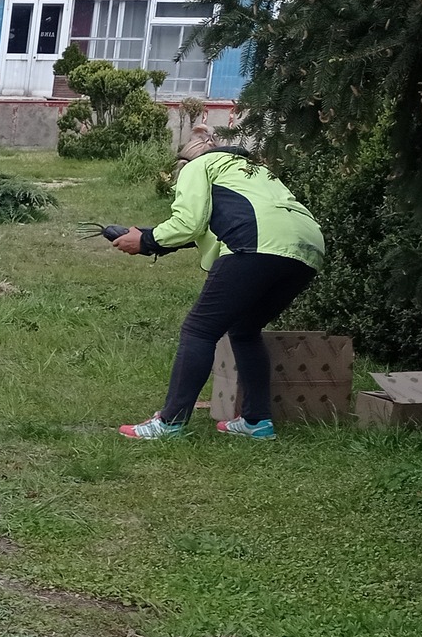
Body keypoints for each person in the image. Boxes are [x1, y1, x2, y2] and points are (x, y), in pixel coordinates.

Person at [111, 127, 326, 441]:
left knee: (199, 329)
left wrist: (146, 240)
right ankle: (256, 421)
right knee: (244, 329)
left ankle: (170, 423)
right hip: (307, 249)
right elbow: (218, 223)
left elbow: (188, 223)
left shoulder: (198, 167)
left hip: (256, 243)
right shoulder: (251, 170)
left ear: (184, 163)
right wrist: (150, 239)